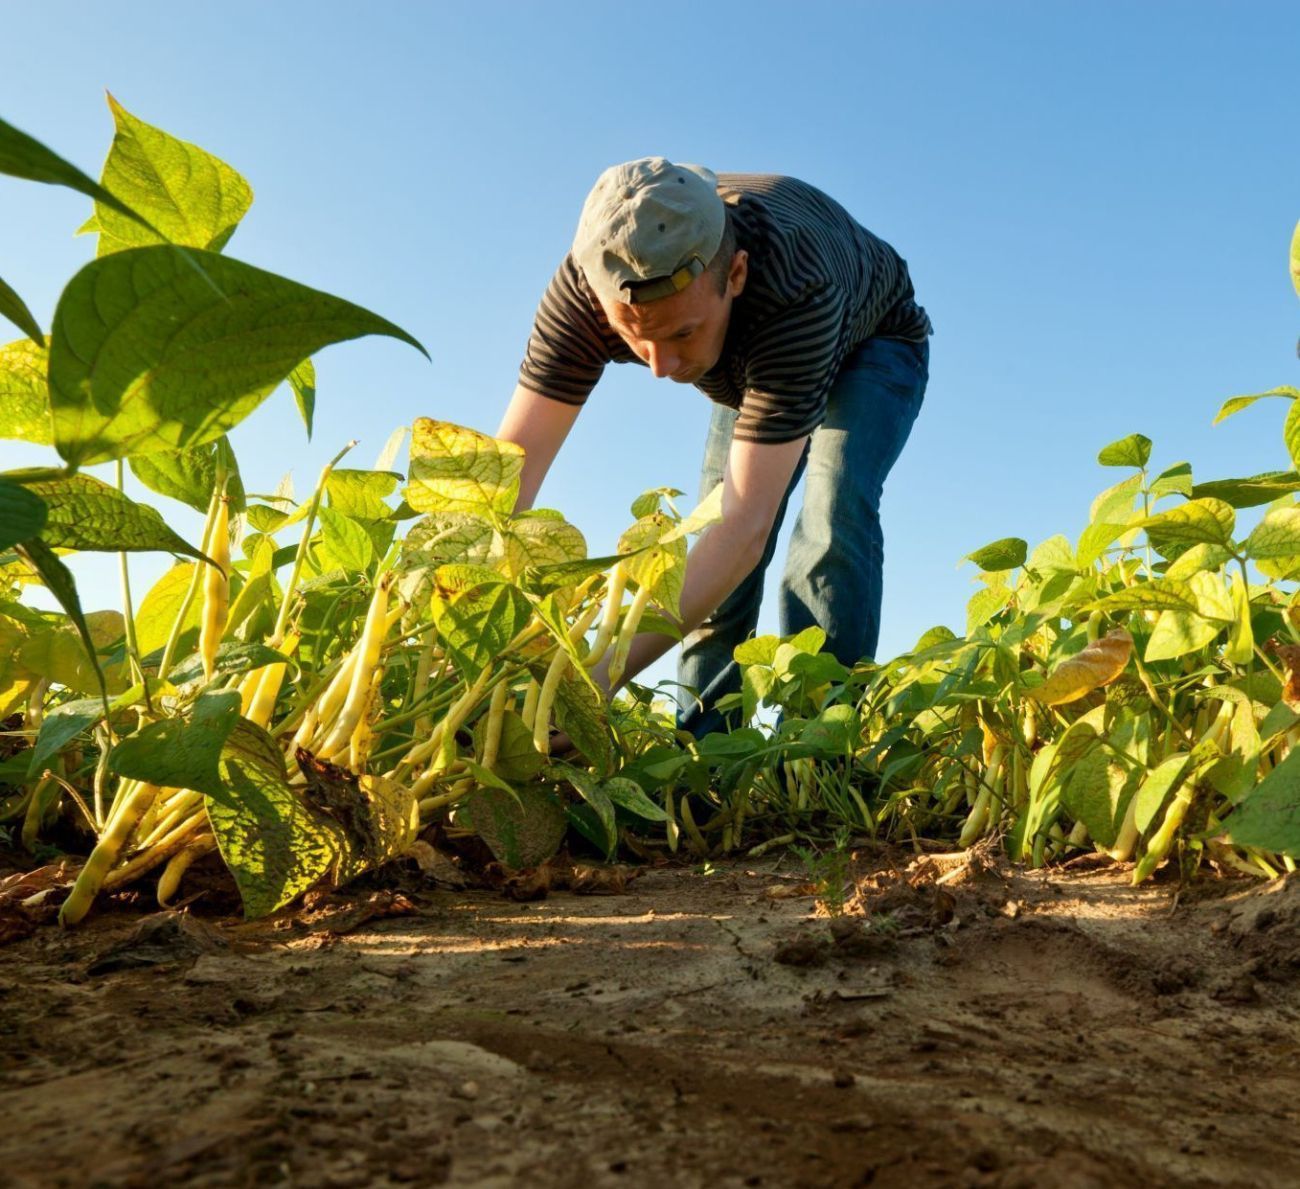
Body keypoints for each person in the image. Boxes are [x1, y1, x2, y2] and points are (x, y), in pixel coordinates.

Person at [496, 158, 930, 737]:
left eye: (682, 332)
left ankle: (821, 741)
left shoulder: (796, 288)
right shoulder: (585, 288)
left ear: (736, 273)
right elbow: (508, 474)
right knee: (709, 534)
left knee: (832, 505)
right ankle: (702, 745)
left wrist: (593, 678)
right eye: (633, 336)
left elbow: (744, 527)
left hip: (871, 340)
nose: (661, 367)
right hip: (744, 353)